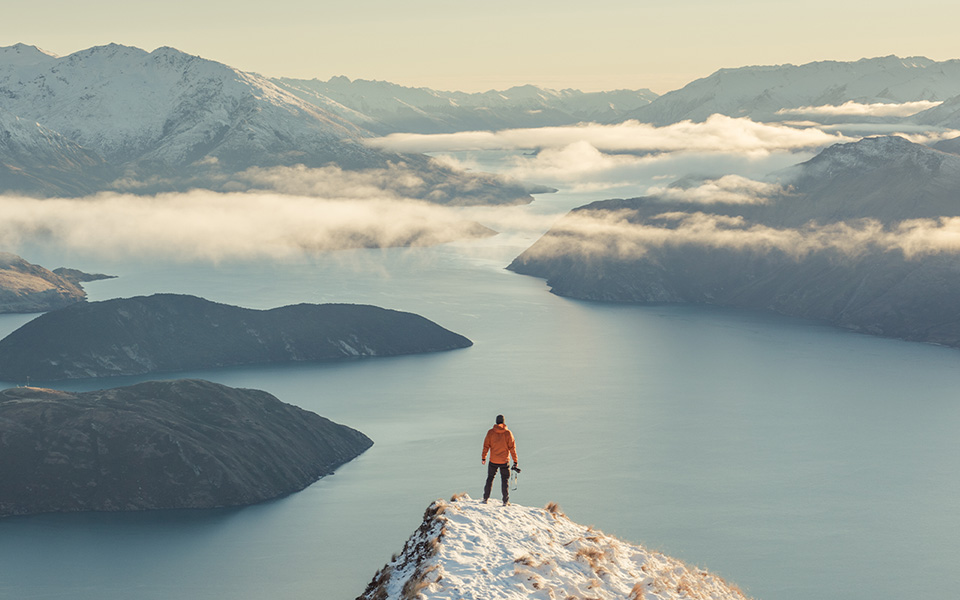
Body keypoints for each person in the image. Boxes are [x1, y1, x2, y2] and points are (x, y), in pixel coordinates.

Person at [481, 414, 518, 505]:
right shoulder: (508, 433)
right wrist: (515, 461)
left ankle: (485, 499)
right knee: (504, 480)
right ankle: (505, 501)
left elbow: (486, 446)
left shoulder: (490, 432)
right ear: (504, 422)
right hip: (504, 461)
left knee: (490, 478)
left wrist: (483, 457)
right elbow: (512, 448)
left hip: (493, 460)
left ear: (496, 422)